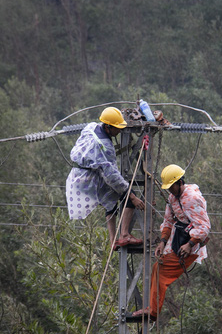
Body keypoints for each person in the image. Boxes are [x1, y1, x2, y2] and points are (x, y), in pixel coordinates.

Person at [132, 164, 210, 321]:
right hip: (178, 240)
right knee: (156, 268)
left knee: (161, 271)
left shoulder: (192, 198)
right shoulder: (172, 198)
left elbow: (204, 227)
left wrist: (190, 245)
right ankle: (152, 308)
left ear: (180, 182)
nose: (170, 190)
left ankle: (153, 311)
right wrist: (162, 242)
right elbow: (168, 221)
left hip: (191, 246)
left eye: (172, 187)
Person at [66, 106, 145, 248]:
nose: (119, 130)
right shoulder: (105, 146)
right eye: (117, 128)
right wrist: (130, 194)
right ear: (108, 127)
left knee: (110, 199)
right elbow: (112, 176)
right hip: (90, 179)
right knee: (128, 196)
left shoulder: (91, 127)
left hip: (78, 175)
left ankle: (113, 240)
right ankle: (124, 235)